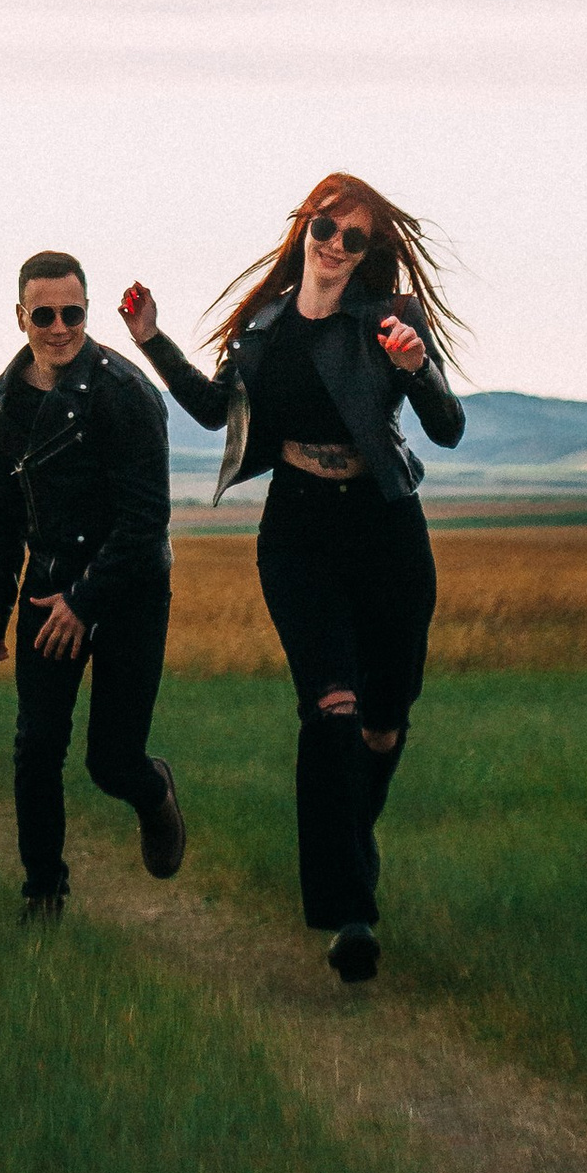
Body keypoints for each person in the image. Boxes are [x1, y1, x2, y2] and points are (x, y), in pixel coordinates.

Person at [124, 174, 463, 984]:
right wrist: (151, 340)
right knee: (331, 709)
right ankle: (350, 916)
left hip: (385, 528)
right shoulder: (264, 329)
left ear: (370, 252)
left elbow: (448, 428)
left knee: (383, 723)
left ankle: (351, 843)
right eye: (326, 228)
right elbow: (215, 412)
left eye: (356, 238)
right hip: (299, 533)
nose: (337, 246)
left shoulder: (390, 319)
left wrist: (416, 370)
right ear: (303, 228)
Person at [0, 250, 187, 920]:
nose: (60, 326)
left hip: (128, 594)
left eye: (73, 313)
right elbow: (1, 510)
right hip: (46, 591)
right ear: (21, 318)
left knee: (109, 762)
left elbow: (146, 517)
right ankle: (43, 892)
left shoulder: (127, 393)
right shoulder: (7, 401)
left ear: (86, 313)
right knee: (37, 745)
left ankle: (153, 793)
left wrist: (85, 600)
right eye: (45, 314)